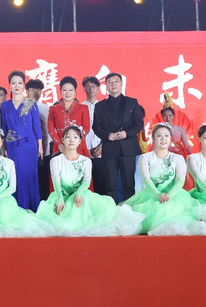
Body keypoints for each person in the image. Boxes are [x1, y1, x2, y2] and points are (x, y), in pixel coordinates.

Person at [36, 125, 144, 236]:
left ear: (80, 141)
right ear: (63, 140)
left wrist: (79, 192)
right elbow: (56, 181)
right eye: (68, 137)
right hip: (62, 195)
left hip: (80, 195)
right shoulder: (55, 161)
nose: (71, 140)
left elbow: (86, 181)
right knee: (56, 224)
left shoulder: (86, 161)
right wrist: (59, 197)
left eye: (75, 137)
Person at [121, 123, 206, 235]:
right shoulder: (145, 158)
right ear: (153, 138)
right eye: (159, 136)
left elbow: (180, 180)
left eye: (166, 136)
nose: (163, 139)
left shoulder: (177, 158)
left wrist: (169, 195)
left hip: (174, 195)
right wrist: (158, 195)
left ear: (170, 139)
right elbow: (146, 179)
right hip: (151, 195)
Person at [92, 72, 145, 203]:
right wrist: (107, 135)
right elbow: (96, 126)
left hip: (128, 148)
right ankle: (112, 210)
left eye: (116, 81)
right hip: (109, 148)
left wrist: (127, 133)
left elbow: (139, 124)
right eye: (110, 82)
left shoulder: (132, 102)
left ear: (121, 84)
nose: (113, 84)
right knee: (110, 184)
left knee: (129, 184)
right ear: (106, 86)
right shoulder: (100, 106)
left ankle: (129, 209)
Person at [0, 71, 43, 211]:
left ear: (24, 85)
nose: (17, 85)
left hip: (29, 145)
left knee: (29, 176)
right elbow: (3, 128)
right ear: (9, 86)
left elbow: (37, 126)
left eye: (20, 82)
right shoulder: (5, 106)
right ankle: (17, 208)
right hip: (12, 145)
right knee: (15, 176)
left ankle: (32, 208)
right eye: (13, 83)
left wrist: (40, 146)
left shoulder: (31, 103)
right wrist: (4, 147)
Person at [47, 77, 91, 156]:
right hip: (60, 147)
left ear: (75, 91)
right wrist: (59, 143)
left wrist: (75, 141)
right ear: (60, 91)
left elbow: (86, 128)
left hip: (78, 147)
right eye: (64, 90)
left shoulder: (83, 108)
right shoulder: (53, 109)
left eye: (71, 90)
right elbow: (50, 128)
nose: (68, 93)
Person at [26, 78, 51, 200]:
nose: (36, 92)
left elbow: (48, 130)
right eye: (33, 89)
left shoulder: (46, 108)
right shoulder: (22, 107)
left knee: (43, 180)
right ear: (27, 91)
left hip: (45, 151)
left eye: (39, 89)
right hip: (27, 149)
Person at [81, 76, 105, 193]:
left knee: (101, 184)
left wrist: (102, 146)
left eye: (93, 86)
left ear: (98, 88)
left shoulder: (104, 107)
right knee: (85, 185)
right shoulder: (80, 107)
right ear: (84, 89)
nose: (91, 89)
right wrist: (84, 147)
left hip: (100, 152)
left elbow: (108, 129)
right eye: (88, 86)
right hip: (83, 151)